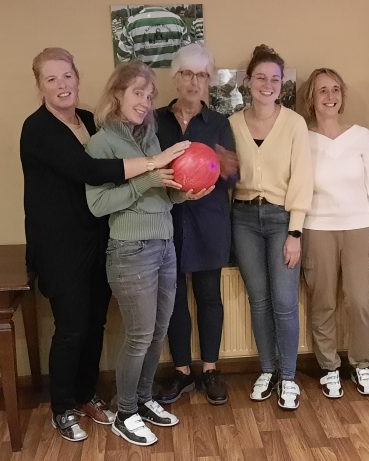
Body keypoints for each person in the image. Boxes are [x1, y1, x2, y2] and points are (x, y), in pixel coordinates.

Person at [20, 47, 188, 443]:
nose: (62, 84)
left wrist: (180, 186)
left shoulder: (87, 122)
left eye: (67, 76)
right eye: (51, 79)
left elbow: (130, 172)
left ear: (78, 78)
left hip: (98, 238)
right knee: (72, 328)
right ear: (40, 86)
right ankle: (63, 406)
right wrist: (154, 166)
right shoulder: (39, 128)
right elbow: (92, 172)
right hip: (61, 244)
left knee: (95, 323)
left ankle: (86, 394)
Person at [85, 61, 212, 446]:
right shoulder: (101, 143)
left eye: (149, 94)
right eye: (137, 92)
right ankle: (125, 413)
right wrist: (148, 180)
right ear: (117, 94)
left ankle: (142, 399)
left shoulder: (151, 138)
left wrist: (186, 193)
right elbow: (98, 204)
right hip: (130, 250)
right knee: (139, 335)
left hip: (164, 245)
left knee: (157, 332)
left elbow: (164, 196)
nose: (145, 101)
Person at [229, 44, 313, 411]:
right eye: (260, 78)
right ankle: (267, 369)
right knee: (259, 300)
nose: (267, 85)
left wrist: (295, 232)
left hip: (282, 219)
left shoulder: (294, 124)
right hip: (243, 219)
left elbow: (303, 179)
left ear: (282, 84)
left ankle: (289, 377)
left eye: (274, 79)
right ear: (248, 81)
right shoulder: (232, 124)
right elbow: (225, 175)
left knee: (284, 301)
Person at [153, 44, 238, 406]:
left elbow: (232, 177)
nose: (193, 81)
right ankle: (182, 371)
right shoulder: (154, 121)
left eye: (201, 75)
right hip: (166, 220)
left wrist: (226, 168)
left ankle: (210, 370)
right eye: (187, 73)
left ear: (208, 82)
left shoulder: (219, 123)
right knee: (172, 299)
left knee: (208, 296)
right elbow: (146, 167)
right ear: (176, 78)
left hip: (209, 221)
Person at [298, 68, 369, 398]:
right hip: (317, 228)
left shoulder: (361, 136)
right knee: (322, 302)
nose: (330, 96)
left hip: (360, 228)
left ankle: (361, 364)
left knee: (360, 300)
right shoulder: (302, 139)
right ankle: (329, 367)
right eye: (322, 90)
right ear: (312, 98)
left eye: (335, 89)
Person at [115, 6, 195, 68]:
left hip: (145, 76)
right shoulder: (178, 20)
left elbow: (123, 56)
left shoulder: (132, 22)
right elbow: (187, 52)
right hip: (172, 74)